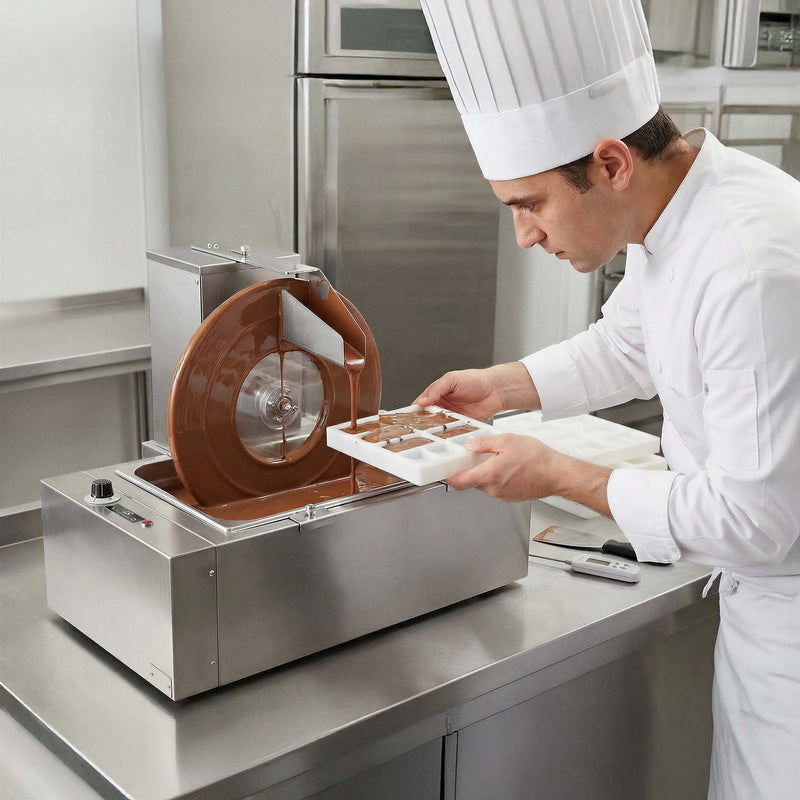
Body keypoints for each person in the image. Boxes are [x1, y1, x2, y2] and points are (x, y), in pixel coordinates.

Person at [416, 2, 800, 799]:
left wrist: (556, 473)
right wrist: (503, 387)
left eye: (531, 205)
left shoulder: (751, 266)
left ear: (611, 163)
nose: (524, 235)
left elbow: (759, 523)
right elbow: (629, 343)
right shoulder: (674, 216)